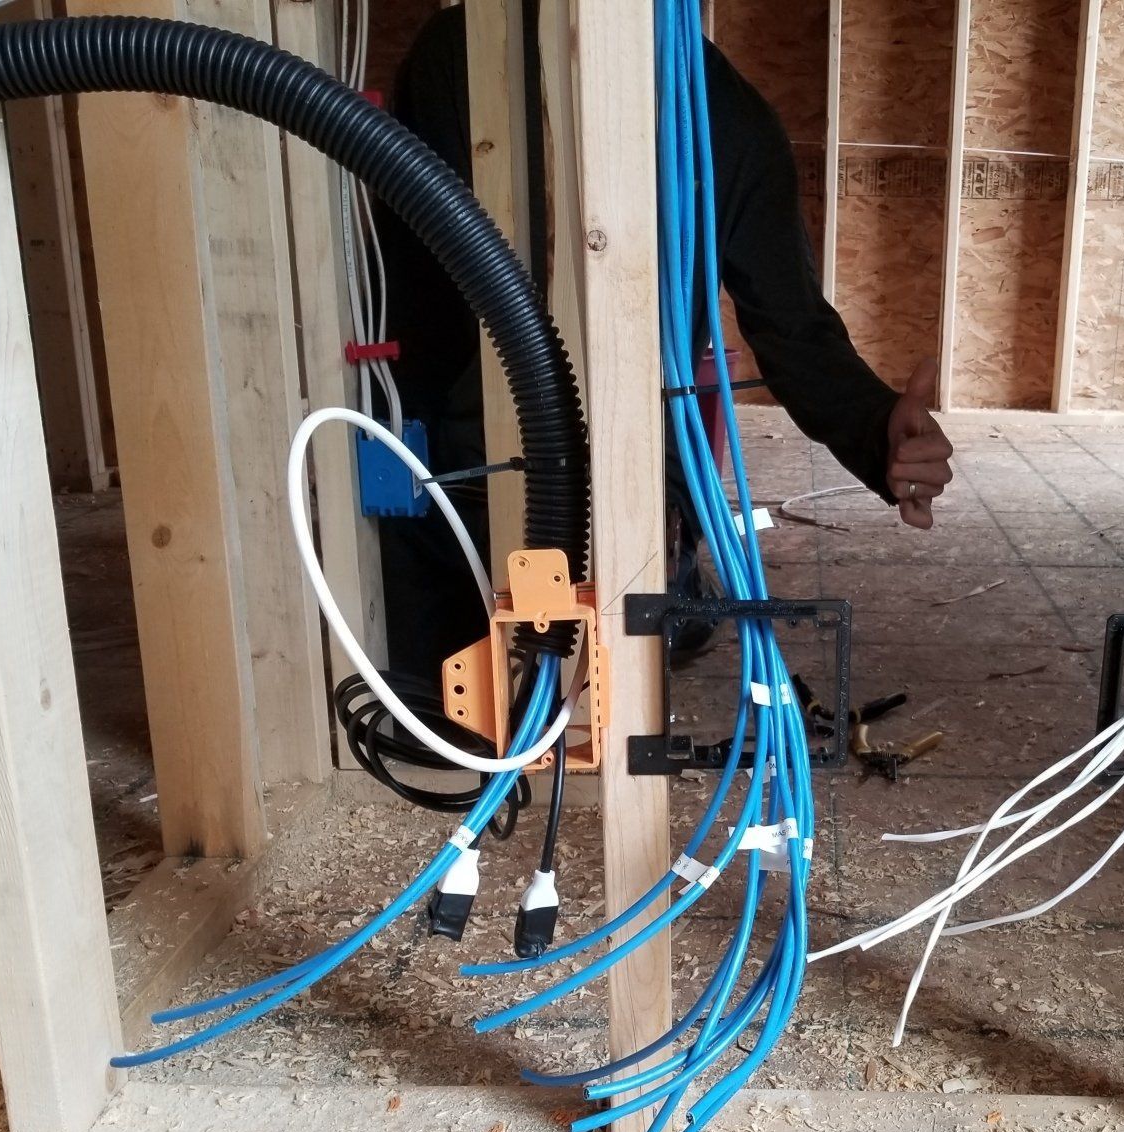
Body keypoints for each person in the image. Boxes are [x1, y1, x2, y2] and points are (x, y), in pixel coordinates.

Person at [375, 3, 954, 675]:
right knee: (440, 697)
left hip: (636, 469)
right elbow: (393, 290)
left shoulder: (725, 123)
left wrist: (879, 428)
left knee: (625, 663)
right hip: (462, 473)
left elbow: (794, 328)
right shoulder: (457, 58)